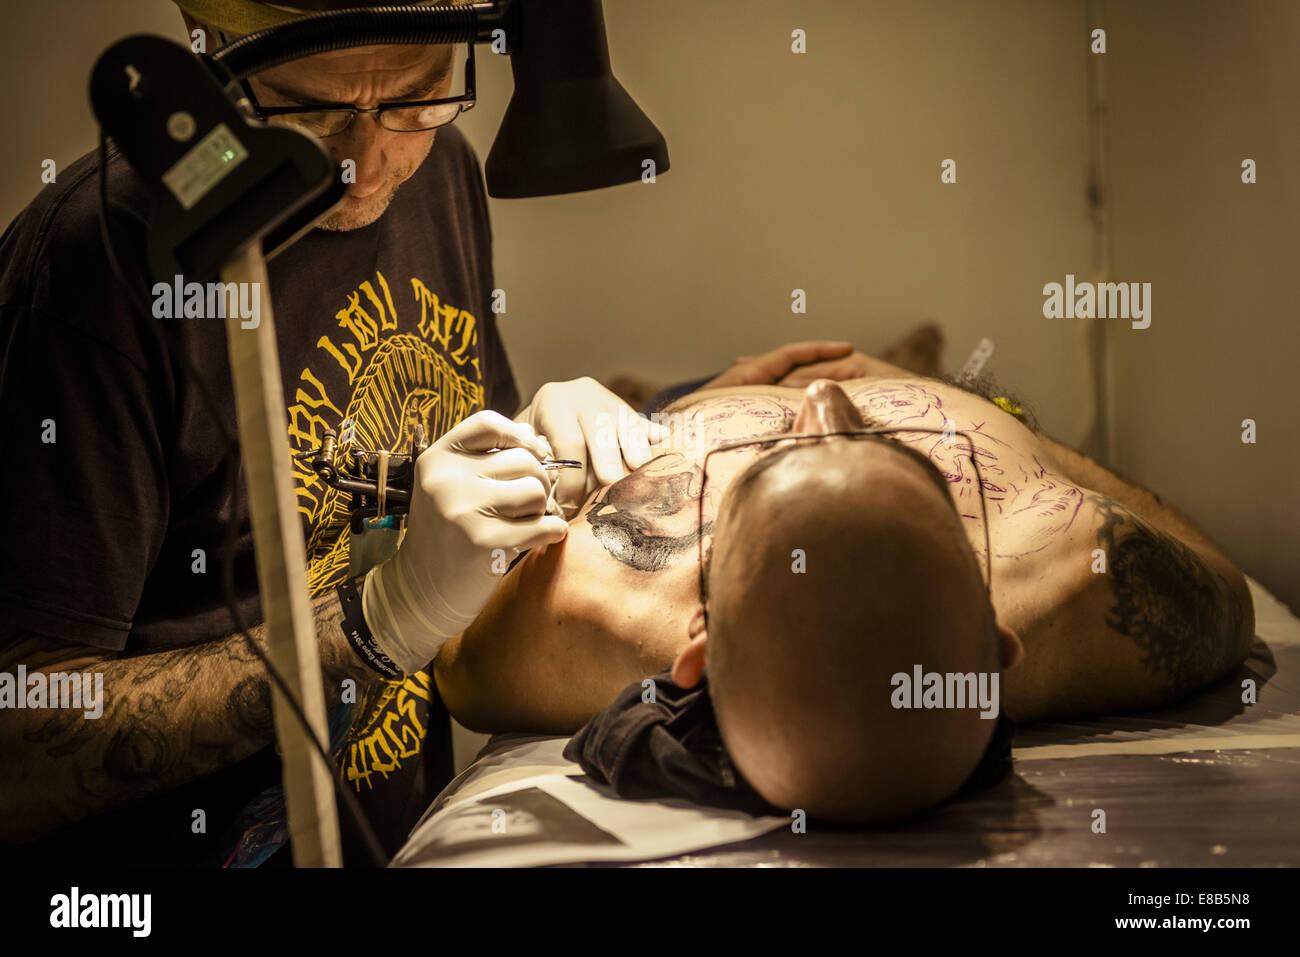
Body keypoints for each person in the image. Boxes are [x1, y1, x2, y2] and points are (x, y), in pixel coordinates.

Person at [0, 0, 715, 863]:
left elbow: (439, 498)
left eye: (416, 95)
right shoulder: (95, 267)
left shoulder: (438, 166)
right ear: (215, 53)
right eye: (313, 111)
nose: (367, 167)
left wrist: (536, 452)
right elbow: (18, 748)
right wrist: (380, 621)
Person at [432, 354, 1256, 822]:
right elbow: (1219, 572)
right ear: (1000, 638)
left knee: (628, 381)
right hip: (946, 383)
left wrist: (559, 431)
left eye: (780, 463)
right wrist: (1006, 430)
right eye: (896, 459)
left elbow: (448, 654)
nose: (824, 399)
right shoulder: (1071, 572)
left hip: (669, 412)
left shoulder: (590, 607)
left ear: (699, 645)